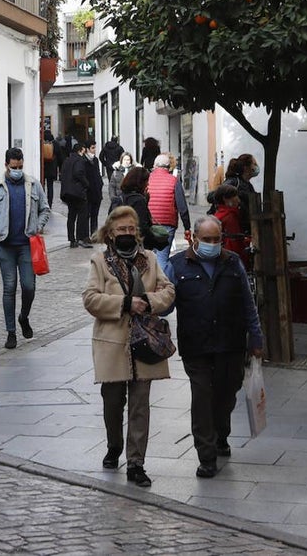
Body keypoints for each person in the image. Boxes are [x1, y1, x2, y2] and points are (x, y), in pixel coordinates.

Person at [82, 206, 175, 488]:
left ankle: (136, 463)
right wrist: (123, 303)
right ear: (111, 233)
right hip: (113, 342)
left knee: (140, 406)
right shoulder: (100, 261)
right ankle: (114, 445)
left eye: (131, 229)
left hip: (145, 341)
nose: (127, 233)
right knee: (112, 402)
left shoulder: (150, 259)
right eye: (121, 229)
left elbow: (168, 290)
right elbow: (90, 298)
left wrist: (147, 301)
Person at [166, 216, 263, 478]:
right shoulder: (178, 265)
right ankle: (206, 455)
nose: (212, 244)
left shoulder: (233, 262)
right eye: (206, 239)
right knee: (202, 398)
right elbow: (166, 303)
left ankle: (221, 433)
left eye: (216, 239)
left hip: (230, 342)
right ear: (195, 239)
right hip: (196, 344)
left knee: (227, 394)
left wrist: (256, 338)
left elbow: (247, 303)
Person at [0, 148, 52, 350]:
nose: (17, 170)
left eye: (20, 166)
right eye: (14, 167)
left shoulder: (33, 184)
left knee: (29, 286)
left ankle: (24, 317)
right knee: (9, 287)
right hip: (5, 245)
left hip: (27, 244)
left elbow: (45, 209)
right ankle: (11, 332)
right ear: (6, 165)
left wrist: (37, 226)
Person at [147, 153, 192, 276]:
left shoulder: (147, 179)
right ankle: (164, 283)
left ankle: (151, 282)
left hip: (148, 223)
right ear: (169, 167)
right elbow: (182, 206)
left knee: (149, 256)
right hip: (167, 225)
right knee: (162, 257)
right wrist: (187, 227)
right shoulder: (174, 181)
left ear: (154, 166)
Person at [60, 142, 92, 248]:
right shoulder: (79, 160)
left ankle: (71, 239)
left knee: (71, 216)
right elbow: (79, 173)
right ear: (81, 150)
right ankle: (80, 237)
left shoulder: (67, 160)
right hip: (77, 192)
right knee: (82, 214)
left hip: (68, 192)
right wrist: (86, 183)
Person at [212, 184, 250, 264]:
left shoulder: (219, 213)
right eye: (235, 196)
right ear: (225, 199)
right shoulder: (229, 216)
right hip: (231, 258)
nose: (238, 200)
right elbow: (235, 242)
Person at [85, 140, 104, 241]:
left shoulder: (95, 160)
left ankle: (94, 235)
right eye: (92, 148)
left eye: (95, 147)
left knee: (95, 215)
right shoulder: (83, 160)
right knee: (87, 215)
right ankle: (86, 236)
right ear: (87, 149)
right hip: (88, 193)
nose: (94, 150)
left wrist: (100, 184)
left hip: (97, 192)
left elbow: (97, 174)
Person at [42, 130, 59, 208]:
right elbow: (59, 155)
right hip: (52, 167)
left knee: (42, 185)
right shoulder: (55, 143)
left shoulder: (41, 143)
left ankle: (42, 202)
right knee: (50, 186)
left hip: (43, 167)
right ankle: (50, 203)